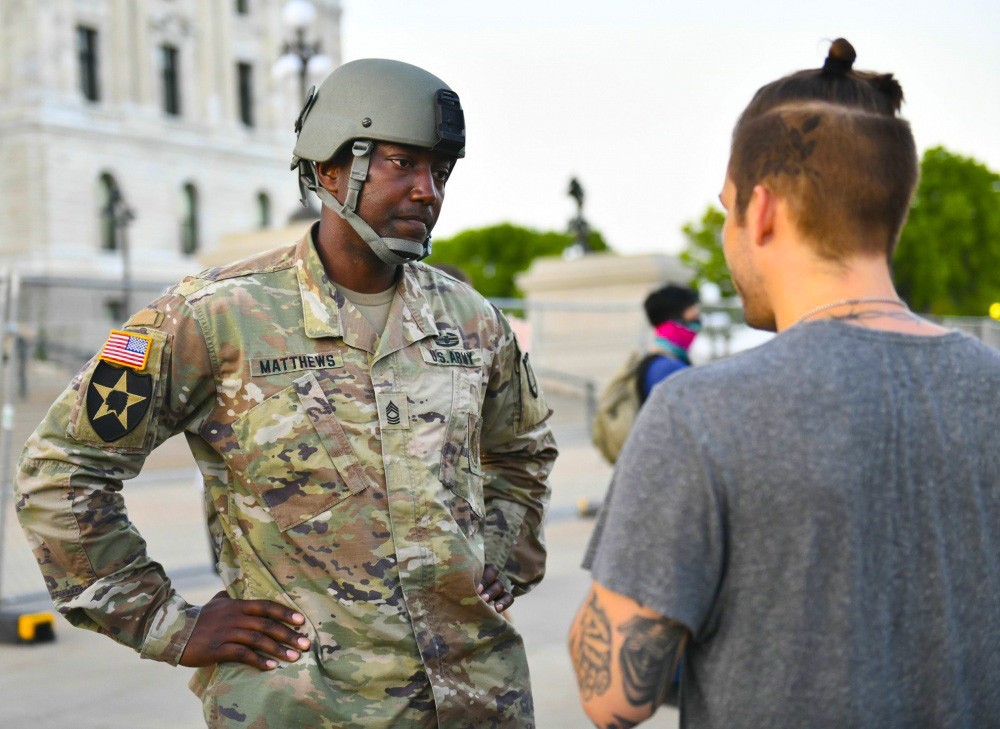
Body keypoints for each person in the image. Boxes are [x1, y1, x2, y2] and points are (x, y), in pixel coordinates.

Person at [16, 58, 557, 728]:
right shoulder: (216, 315)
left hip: (478, 700)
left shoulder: (472, 320)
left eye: (440, 171)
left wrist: (502, 557)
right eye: (402, 164)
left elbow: (523, 452)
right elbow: (62, 468)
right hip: (307, 707)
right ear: (330, 168)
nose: (428, 191)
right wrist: (164, 620)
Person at [570, 38, 1000, 728]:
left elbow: (614, 696)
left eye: (727, 208)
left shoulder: (698, 412)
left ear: (762, 209)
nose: (724, 230)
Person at [638, 284, 701, 401]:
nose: (696, 327)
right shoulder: (668, 368)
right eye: (693, 319)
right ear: (674, 320)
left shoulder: (657, 361)